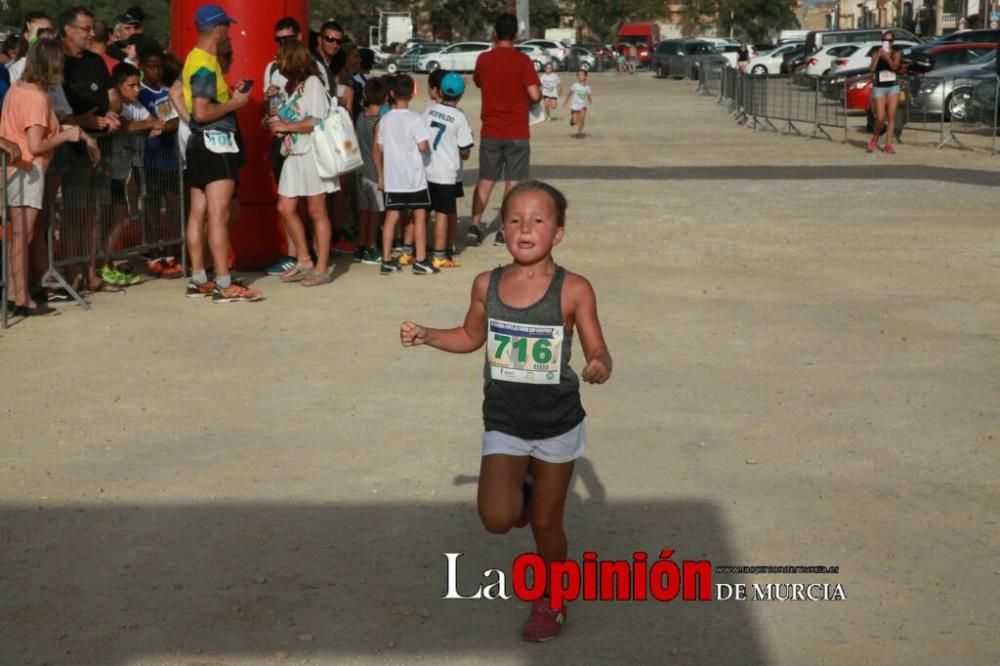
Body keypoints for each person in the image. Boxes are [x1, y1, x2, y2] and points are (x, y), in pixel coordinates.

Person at [399, 180, 613, 642]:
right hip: (505, 422)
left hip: (558, 423)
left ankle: (552, 601)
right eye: (514, 219)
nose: (525, 228)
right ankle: (523, 487)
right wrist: (429, 335)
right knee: (497, 519)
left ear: (558, 233)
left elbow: (598, 348)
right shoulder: (487, 284)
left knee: (545, 522)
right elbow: (470, 335)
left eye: (539, 220)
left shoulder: (574, 289)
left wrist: (597, 364)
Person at [1, 38, 98, 314]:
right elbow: (35, 145)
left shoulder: (19, 88)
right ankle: (20, 298)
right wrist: (66, 135)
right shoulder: (36, 97)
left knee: (19, 235)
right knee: (23, 235)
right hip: (28, 169)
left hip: (19, 169)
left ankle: (16, 295)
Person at [181, 4, 261, 302]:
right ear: (218, 29)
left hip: (198, 143)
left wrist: (227, 93)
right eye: (227, 27)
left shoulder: (193, 58)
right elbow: (202, 112)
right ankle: (224, 283)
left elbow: (180, 94)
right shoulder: (204, 63)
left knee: (198, 213)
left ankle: (199, 278)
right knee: (218, 214)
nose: (229, 32)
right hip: (215, 143)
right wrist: (236, 104)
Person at [266, 39, 338, 287]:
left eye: (280, 56)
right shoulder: (290, 85)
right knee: (285, 208)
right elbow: (292, 116)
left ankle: (321, 267)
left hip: (312, 153)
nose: (276, 61)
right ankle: (304, 258)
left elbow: (317, 120)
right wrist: (276, 124)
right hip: (293, 153)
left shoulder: (312, 83)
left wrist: (287, 127)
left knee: (317, 211)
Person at [466, 13, 541, 248]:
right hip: (517, 130)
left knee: (486, 180)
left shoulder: (484, 59)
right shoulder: (523, 61)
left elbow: (478, 81)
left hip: (491, 129)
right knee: (513, 182)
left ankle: (475, 225)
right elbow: (534, 94)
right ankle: (502, 229)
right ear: (516, 35)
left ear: (495, 34)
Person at [374, 73, 436, 275]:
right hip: (414, 178)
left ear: (391, 93)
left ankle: (386, 259)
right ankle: (420, 259)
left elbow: (380, 147)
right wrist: (425, 149)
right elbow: (423, 145)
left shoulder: (385, 120)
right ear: (412, 94)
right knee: (419, 215)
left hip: (394, 179)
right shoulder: (415, 118)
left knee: (391, 218)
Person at [136, 44, 183, 279]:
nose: (156, 72)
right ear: (142, 67)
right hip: (149, 158)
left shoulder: (165, 91)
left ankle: (171, 252)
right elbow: (145, 121)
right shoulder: (140, 92)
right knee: (152, 207)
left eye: (159, 67)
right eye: (151, 67)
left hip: (170, 158)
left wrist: (165, 125)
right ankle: (154, 254)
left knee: (174, 207)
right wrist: (155, 125)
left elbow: (170, 121)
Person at [424, 71, 473, 269]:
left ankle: (415, 249)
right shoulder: (459, 117)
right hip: (446, 174)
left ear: (440, 91)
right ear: (460, 96)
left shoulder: (428, 110)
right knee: (444, 213)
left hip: (426, 170)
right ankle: (440, 253)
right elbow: (465, 152)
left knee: (423, 212)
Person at [353, 76, 387, 265]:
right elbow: (377, 149)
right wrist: (381, 175)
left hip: (359, 170)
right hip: (374, 173)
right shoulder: (380, 120)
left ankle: (360, 246)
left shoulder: (360, 116)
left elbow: (357, 142)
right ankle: (372, 247)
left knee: (363, 212)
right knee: (375, 212)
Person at [868, 31, 902, 154]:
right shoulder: (876, 51)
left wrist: (888, 57)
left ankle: (888, 144)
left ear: (893, 41)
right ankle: (875, 137)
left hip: (893, 86)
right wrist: (877, 57)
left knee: (891, 115)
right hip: (879, 87)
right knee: (880, 117)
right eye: (885, 40)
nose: (887, 43)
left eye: (890, 41)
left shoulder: (896, 52)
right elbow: (872, 69)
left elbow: (895, 67)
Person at [8, 12, 55, 83]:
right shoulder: (18, 67)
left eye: (50, 31)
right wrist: (33, 42)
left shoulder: (54, 66)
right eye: (40, 31)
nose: (46, 36)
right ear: (27, 36)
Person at [565, 69, 592, 139]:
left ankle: (579, 132)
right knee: (575, 122)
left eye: (582, 75)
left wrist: (590, 101)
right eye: (579, 75)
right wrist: (566, 101)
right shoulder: (575, 85)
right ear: (577, 77)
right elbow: (569, 93)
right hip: (574, 106)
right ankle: (572, 120)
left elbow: (589, 95)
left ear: (585, 76)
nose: (580, 76)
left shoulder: (587, 87)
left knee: (582, 118)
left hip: (583, 106)